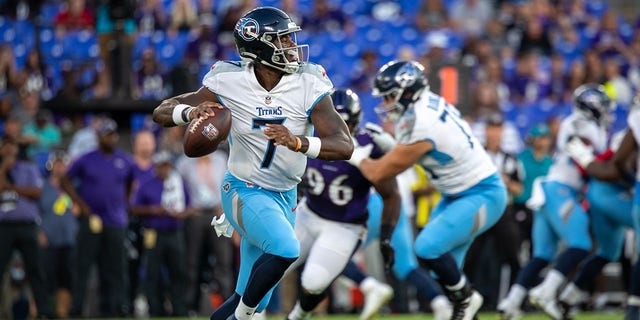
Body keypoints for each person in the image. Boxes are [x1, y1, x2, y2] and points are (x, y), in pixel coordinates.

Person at [151, 6, 353, 320]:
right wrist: (189, 113)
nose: (291, 46)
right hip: (243, 189)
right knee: (286, 251)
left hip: (285, 196)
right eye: (283, 39)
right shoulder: (228, 79)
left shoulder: (309, 81)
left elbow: (343, 145)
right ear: (259, 46)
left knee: (248, 297)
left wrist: (298, 142)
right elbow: (162, 110)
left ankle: (241, 315)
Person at [348, 60, 508, 320]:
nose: (386, 103)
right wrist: (390, 145)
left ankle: (468, 298)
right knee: (443, 270)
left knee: (427, 247)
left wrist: (354, 155)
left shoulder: (422, 122)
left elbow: (378, 172)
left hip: (482, 193)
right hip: (456, 194)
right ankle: (466, 304)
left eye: (390, 96)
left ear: (408, 92)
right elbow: (409, 150)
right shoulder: (421, 108)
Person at [497, 84, 615, 320]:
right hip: (561, 190)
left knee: (542, 254)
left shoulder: (584, 124)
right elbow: (584, 159)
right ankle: (547, 292)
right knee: (580, 243)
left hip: (551, 191)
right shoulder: (580, 124)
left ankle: (511, 302)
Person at [285, 88, 401, 320]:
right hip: (309, 213)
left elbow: (391, 194)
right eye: (335, 122)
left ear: (356, 122)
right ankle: (248, 313)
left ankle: (297, 316)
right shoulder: (307, 134)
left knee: (314, 282)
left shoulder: (371, 144)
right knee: (269, 263)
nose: (340, 130)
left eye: (346, 124)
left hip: (345, 225)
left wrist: (387, 235)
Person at [563, 95, 640, 320]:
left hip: (609, 196)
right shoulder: (623, 135)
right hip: (607, 196)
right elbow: (614, 169)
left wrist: (587, 161)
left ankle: (567, 296)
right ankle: (634, 310)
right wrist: (587, 162)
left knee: (608, 253)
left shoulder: (623, 132)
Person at [61, 117, 136, 317]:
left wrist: (124, 204)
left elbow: (130, 182)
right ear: (98, 136)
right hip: (91, 220)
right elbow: (65, 180)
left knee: (115, 267)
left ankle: (118, 307)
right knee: (83, 265)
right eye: (106, 135)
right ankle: (77, 307)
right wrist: (80, 204)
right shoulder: (87, 159)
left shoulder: (124, 160)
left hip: (116, 221)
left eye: (112, 135)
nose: (110, 138)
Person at [131, 150, 192, 316]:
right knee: (153, 272)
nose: (164, 169)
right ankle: (155, 309)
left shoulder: (178, 182)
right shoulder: (147, 183)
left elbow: (189, 206)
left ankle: (180, 309)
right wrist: (153, 210)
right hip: (154, 232)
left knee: (178, 271)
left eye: (167, 165)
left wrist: (182, 214)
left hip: (175, 231)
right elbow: (134, 208)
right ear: (156, 166)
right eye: (161, 166)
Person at [175, 148, 235, 315]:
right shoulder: (184, 163)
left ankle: (227, 305)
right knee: (192, 262)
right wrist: (185, 208)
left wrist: (228, 209)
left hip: (219, 213)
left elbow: (231, 184)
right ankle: (190, 307)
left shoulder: (221, 159)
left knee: (224, 261)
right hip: (196, 215)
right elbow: (176, 188)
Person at [0, 137, 51, 318]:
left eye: (11, 145)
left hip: (27, 225)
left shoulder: (27, 167)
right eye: (4, 145)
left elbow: (36, 192)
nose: (8, 149)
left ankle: (43, 311)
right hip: (4, 226)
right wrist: (4, 168)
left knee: (36, 269)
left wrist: (10, 187)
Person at [38, 150, 77, 319]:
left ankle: (62, 313)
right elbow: (35, 211)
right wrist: (38, 232)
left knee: (66, 280)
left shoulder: (74, 186)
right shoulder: (42, 186)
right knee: (44, 279)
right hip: (47, 239)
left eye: (63, 163)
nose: (60, 167)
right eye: (57, 163)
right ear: (51, 165)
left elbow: (80, 209)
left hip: (69, 239)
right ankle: (39, 312)